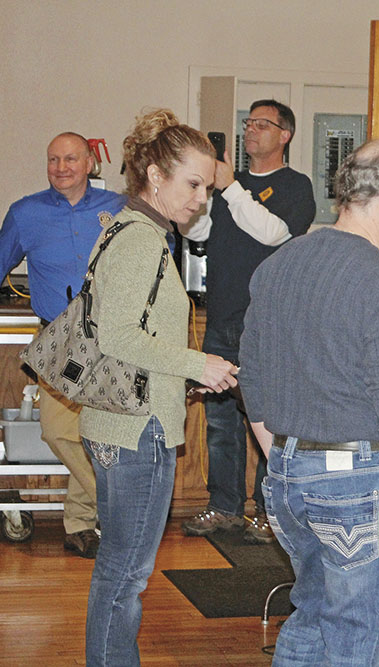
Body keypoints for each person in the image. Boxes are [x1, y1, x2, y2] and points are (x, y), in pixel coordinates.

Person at [239, 137, 379, 665]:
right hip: (355, 483)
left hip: (288, 478)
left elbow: (254, 380)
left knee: (313, 616)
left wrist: (287, 455)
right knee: (355, 641)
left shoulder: (278, 265)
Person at [80, 109, 239, 665]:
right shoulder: (142, 238)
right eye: (192, 183)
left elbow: (134, 335)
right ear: (154, 176)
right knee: (126, 575)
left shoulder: (132, 229)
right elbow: (117, 335)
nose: (200, 198)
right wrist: (198, 364)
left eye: (206, 186)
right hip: (135, 432)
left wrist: (183, 378)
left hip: (125, 423)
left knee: (120, 570)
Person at [179, 100, 315, 543]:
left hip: (269, 324)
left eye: (262, 124)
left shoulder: (296, 187)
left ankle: (269, 512)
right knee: (219, 421)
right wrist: (196, 194)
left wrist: (231, 186)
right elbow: (196, 233)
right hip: (220, 316)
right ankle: (225, 508)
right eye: (248, 123)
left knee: (267, 421)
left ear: (285, 135)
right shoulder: (222, 189)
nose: (251, 130)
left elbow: (273, 233)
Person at [0, 132, 126, 558]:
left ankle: (78, 525)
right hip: (56, 338)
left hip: (109, 336)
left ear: (90, 163)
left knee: (98, 433)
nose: (61, 168)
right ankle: (116, 504)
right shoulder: (25, 213)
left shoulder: (119, 209)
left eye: (71, 159)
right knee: (57, 431)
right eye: (53, 160)